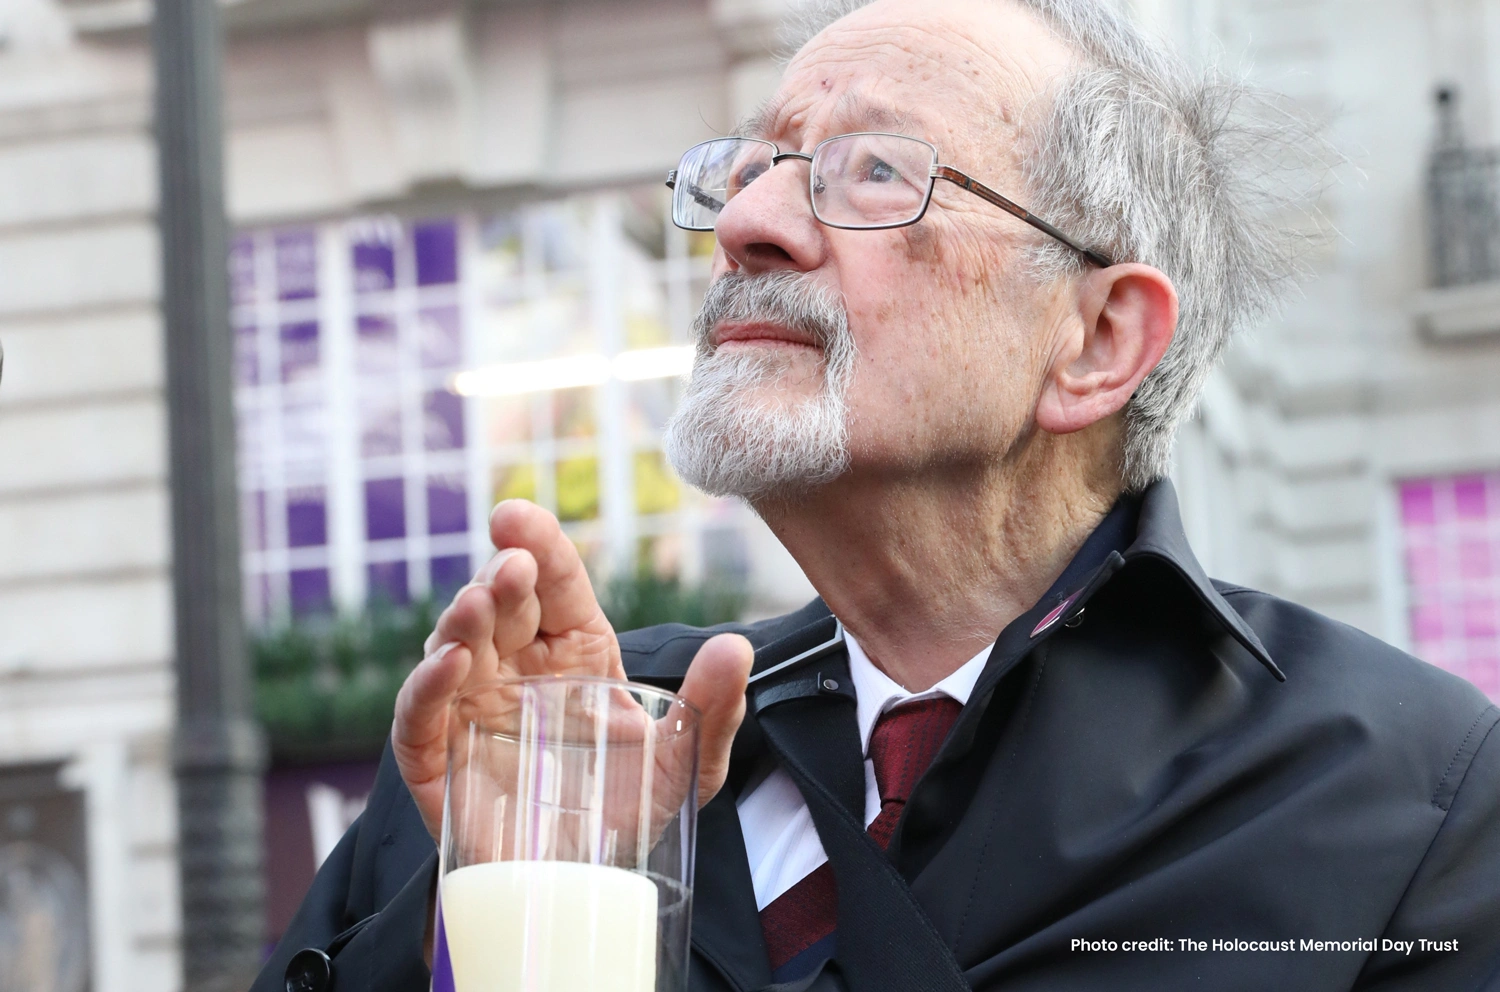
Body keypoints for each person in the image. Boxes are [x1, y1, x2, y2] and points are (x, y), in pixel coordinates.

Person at [256, 0, 1500, 989]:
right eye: (749, 167)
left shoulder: (1405, 799)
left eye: (868, 173)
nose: (746, 220)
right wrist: (533, 908)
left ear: (1099, 338)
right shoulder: (563, 751)